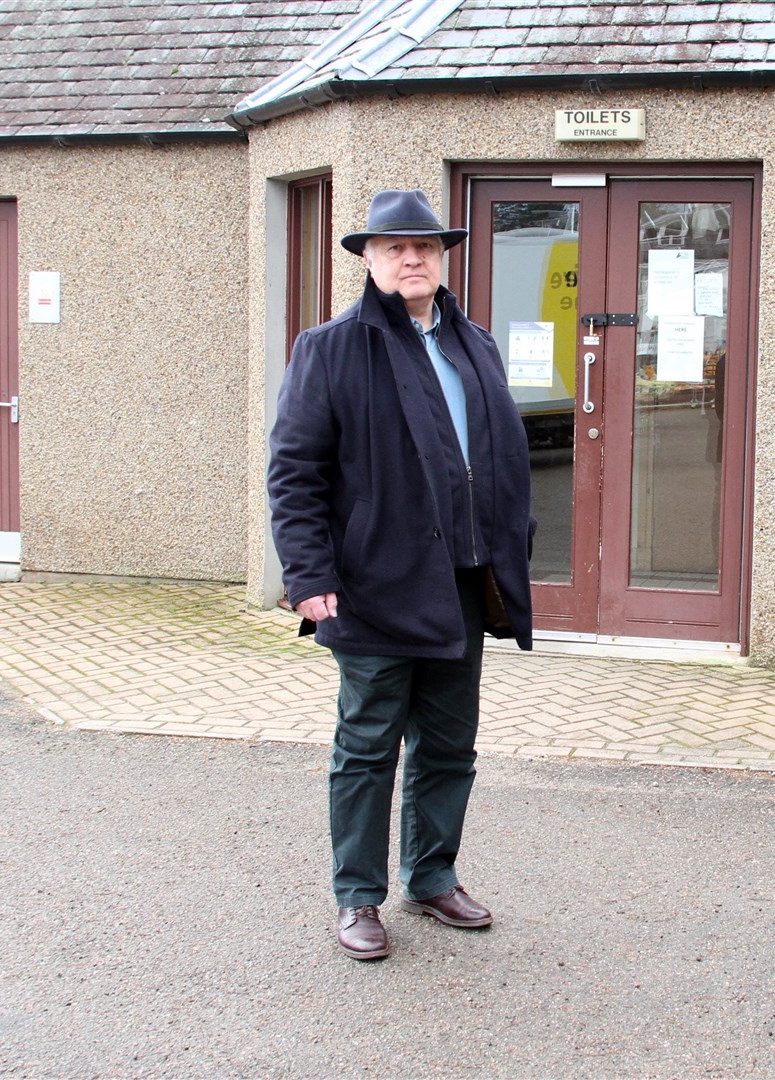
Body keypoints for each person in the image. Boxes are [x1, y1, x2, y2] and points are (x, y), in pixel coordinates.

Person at [268, 188, 534, 961]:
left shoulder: (473, 342)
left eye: (424, 246)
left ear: (442, 256)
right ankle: (357, 897)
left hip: (462, 579)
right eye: (394, 248)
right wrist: (308, 573)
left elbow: (500, 460)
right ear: (368, 259)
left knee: (451, 743)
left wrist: (515, 541)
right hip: (371, 583)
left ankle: (432, 874)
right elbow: (295, 473)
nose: (411, 258)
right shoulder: (330, 347)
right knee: (367, 747)